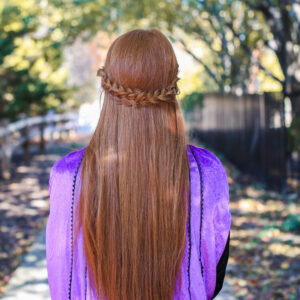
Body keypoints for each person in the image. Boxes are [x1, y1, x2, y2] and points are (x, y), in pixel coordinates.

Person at [46, 28, 231, 300]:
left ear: (106, 88)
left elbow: (61, 276)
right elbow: (213, 277)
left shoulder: (68, 176)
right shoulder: (206, 172)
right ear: (173, 89)